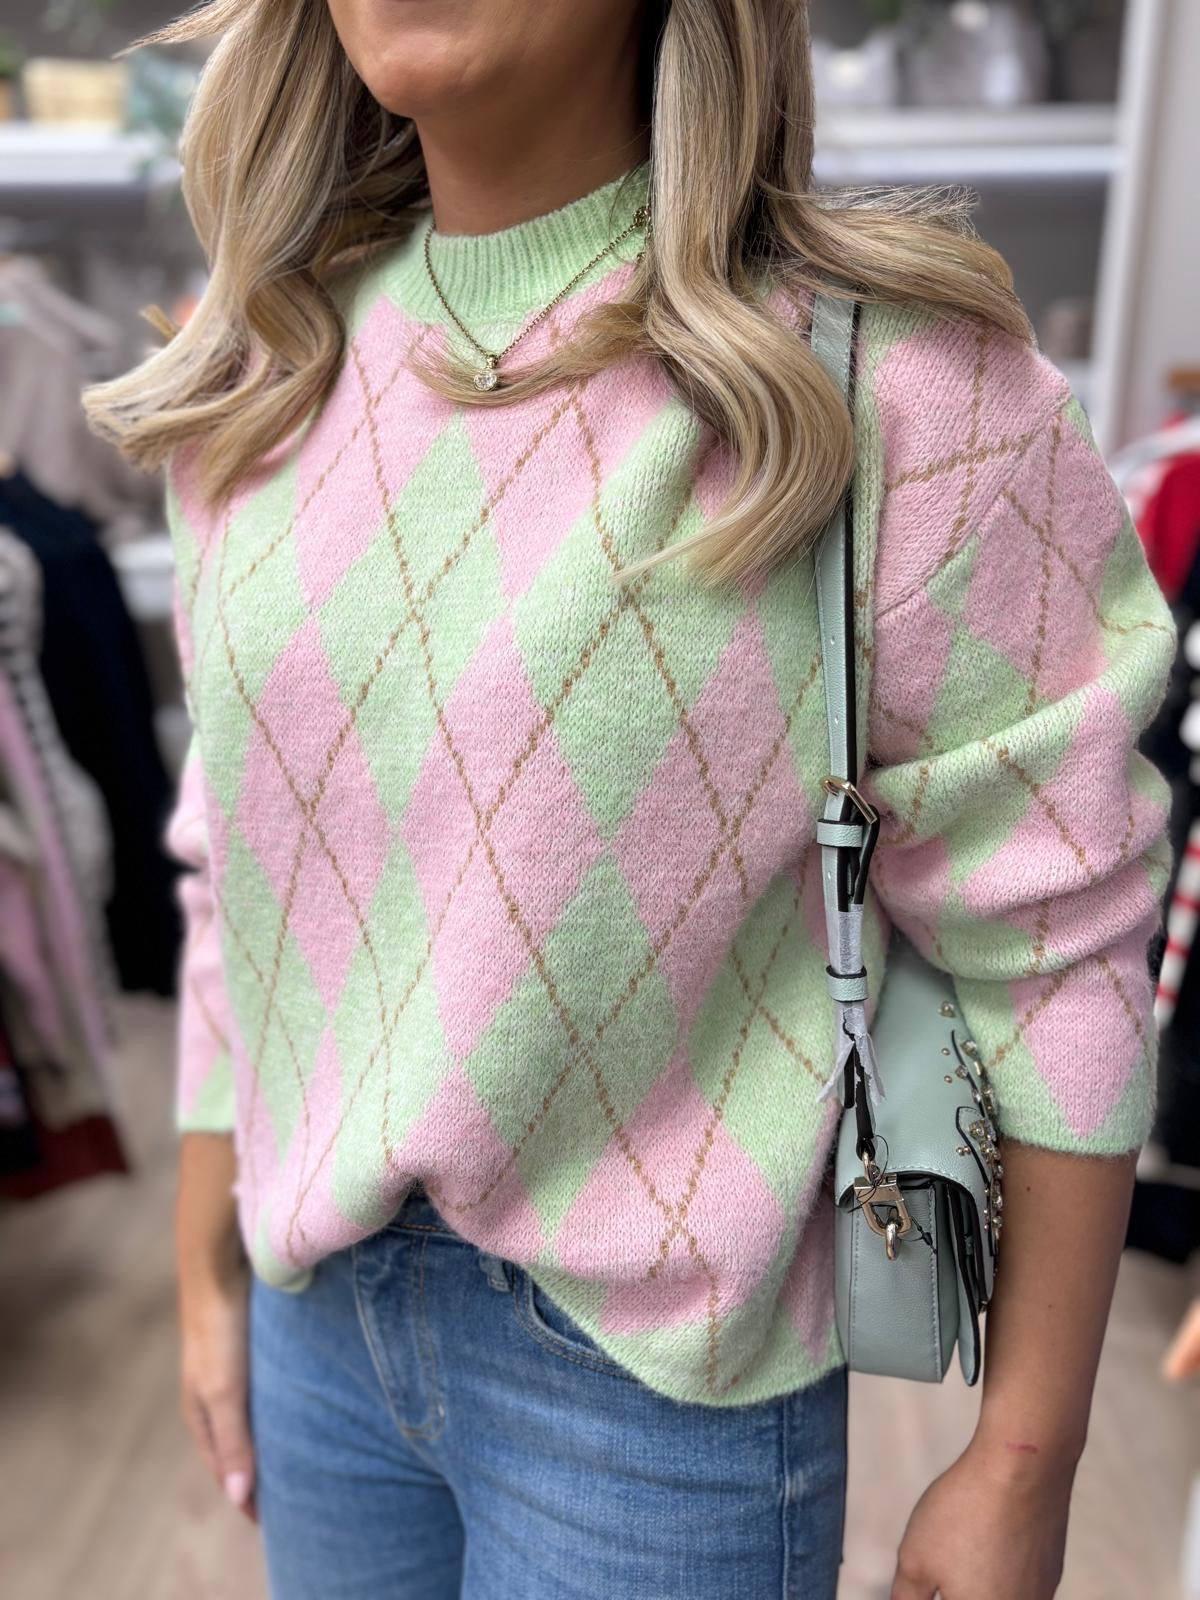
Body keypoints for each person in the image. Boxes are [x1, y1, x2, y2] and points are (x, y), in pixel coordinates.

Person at [84, 2, 1176, 1596]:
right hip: (315, 1327)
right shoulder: (262, 385)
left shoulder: (895, 389)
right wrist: (209, 1264)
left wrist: (1025, 1454)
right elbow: (232, 874)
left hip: (653, 1407)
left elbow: (1060, 930)